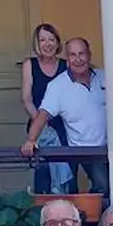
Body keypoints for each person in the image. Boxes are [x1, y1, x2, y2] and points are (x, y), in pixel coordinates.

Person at [22, 38, 108, 196]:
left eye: (82, 54)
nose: (78, 59)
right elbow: (43, 114)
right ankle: (86, 216)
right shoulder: (57, 86)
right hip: (82, 148)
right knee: (103, 185)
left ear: (89, 55)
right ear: (67, 59)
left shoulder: (104, 77)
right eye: (73, 55)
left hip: (112, 147)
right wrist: (31, 139)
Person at [22, 23, 72, 194]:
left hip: (64, 124)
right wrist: (41, 121)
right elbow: (27, 99)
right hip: (39, 123)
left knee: (69, 164)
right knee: (43, 169)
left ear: (58, 43)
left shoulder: (67, 66)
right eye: (42, 39)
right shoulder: (30, 64)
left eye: (51, 39)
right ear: (37, 43)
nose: (47, 44)